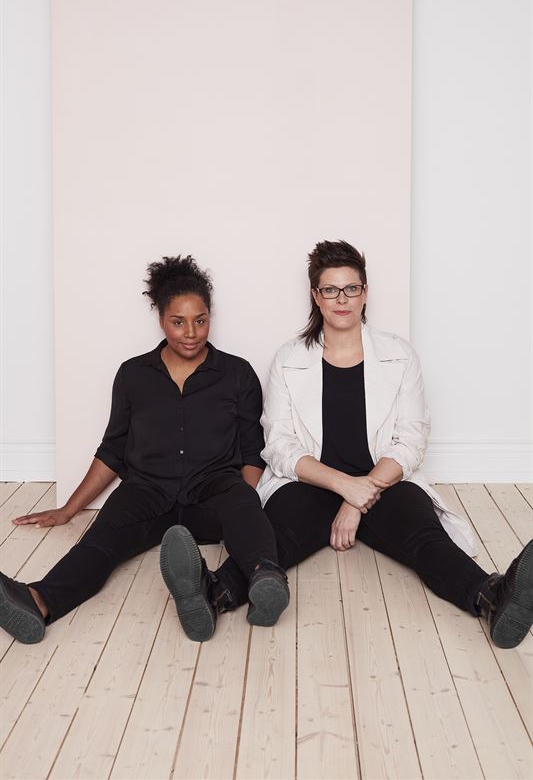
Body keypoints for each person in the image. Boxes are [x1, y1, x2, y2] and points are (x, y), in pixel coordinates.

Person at [208, 240, 532, 650]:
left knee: (423, 535)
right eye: (331, 289)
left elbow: (411, 438)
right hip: (310, 484)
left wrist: (358, 500)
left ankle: (492, 597)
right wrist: (345, 487)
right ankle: (212, 593)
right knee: (277, 538)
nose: (342, 299)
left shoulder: (399, 355)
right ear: (316, 296)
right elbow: (279, 445)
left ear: (365, 292)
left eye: (352, 288)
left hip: (384, 483)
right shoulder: (288, 359)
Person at [0, 255, 289, 644]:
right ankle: (39, 602)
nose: (191, 332)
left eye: (200, 320)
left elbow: (253, 452)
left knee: (243, 503)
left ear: (210, 318)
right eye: (178, 321)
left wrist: (243, 508)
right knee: (101, 540)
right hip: (146, 495)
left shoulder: (237, 374)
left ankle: (264, 579)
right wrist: (69, 509)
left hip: (213, 495)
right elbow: (113, 450)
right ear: (161, 319)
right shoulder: (133, 374)